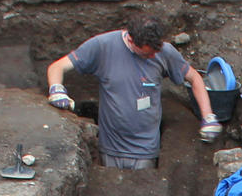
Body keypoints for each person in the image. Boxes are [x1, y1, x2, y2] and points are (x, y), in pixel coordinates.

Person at [44, 15, 221, 169]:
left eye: (155, 53)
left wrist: (208, 116)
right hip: (111, 147)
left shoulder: (164, 52)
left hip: (146, 150)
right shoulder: (102, 46)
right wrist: (57, 89)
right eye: (146, 55)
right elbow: (57, 67)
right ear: (130, 40)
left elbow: (195, 78)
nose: (152, 57)